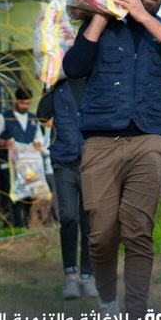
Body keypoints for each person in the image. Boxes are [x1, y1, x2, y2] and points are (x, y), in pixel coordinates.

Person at [63, 0, 161, 320]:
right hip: (100, 140)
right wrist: (101, 12)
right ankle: (108, 303)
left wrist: (143, 17)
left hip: (149, 137)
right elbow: (74, 67)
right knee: (101, 234)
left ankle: (137, 319)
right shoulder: (102, 27)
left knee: (138, 230)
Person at [37, 78, 98, 301]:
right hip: (63, 162)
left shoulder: (95, 81)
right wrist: (48, 86)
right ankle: (70, 275)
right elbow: (42, 116)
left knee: (89, 221)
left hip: (91, 162)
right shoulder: (58, 88)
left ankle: (87, 276)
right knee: (69, 217)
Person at [0, 86, 46, 228]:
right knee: (14, 196)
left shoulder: (33, 119)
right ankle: (16, 224)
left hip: (29, 165)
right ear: (15, 100)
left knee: (29, 194)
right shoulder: (3, 117)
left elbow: (39, 138)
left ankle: (27, 222)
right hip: (10, 164)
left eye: (27, 103)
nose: (24, 106)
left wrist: (38, 143)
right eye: (22, 103)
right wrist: (5, 143)